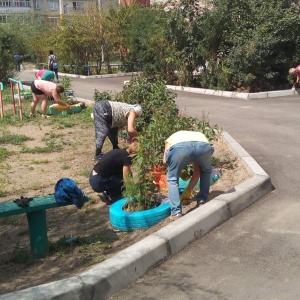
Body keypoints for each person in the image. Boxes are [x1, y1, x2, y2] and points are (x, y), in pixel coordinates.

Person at [163, 130, 214, 221]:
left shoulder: (171, 138)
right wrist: (188, 190)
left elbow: (165, 161)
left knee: (172, 178)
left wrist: (177, 170)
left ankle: (176, 213)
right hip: (203, 147)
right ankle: (202, 200)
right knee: (206, 171)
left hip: (180, 149)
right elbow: (198, 172)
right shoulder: (198, 135)